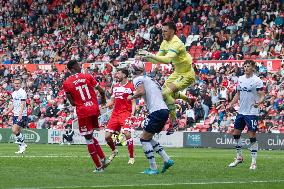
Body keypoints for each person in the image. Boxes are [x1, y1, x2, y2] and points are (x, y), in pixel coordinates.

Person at [139, 21, 195, 135]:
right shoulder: (165, 42)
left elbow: (168, 60)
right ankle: (188, 99)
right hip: (177, 72)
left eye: (165, 31)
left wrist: (150, 54)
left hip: (187, 74)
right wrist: (147, 58)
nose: (163, 33)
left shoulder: (177, 43)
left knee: (165, 94)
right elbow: (158, 59)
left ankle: (174, 123)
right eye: (162, 31)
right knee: (163, 93)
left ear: (172, 31)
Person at [127, 61, 174, 175]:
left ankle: (153, 168)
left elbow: (141, 91)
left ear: (133, 70)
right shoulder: (151, 79)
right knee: (148, 137)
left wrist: (131, 97)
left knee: (144, 139)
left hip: (156, 111)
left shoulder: (138, 79)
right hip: (163, 110)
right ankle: (167, 160)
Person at [62, 60, 107, 173]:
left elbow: (72, 103)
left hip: (83, 111)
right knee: (90, 135)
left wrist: (79, 101)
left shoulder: (67, 83)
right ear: (72, 68)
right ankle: (103, 158)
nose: (80, 65)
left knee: (88, 138)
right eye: (77, 64)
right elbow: (101, 90)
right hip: (94, 108)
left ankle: (98, 167)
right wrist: (103, 101)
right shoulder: (87, 76)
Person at [227, 60, 265, 170]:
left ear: (253, 68)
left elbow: (262, 95)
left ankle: (253, 162)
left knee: (252, 136)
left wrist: (259, 102)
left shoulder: (257, 81)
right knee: (235, 134)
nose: (246, 68)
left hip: (252, 112)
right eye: (244, 66)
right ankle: (239, 157)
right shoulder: (241, 79)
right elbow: (238, 94)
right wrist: (231, 104)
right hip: (241, 111)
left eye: (248, 66)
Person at [102, 68, 136, 165]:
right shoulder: (115, 86)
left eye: (119, 73)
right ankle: (114, 150)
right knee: (107, 137)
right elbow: (112, 101)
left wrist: (132, 113)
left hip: (126, 113)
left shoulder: (130, 86)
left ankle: (131, 157)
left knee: (127, 133)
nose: (117, 75)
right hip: (115, 114)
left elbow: (133, 102)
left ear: (125, 75)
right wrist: (103, 106)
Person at [3, 78, 28, 154]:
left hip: (22, 114)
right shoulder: (14, 93)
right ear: (13, 84)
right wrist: (7, 112)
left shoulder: (23, 92)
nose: (16, 84)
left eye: (18, 83)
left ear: (20, 84)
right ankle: (21, 149)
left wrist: (20, 114)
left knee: (14, 130)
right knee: (18, 131)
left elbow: (23, 104)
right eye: (15, 83)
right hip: (15, 114)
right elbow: (13, 104)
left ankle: (23, 144)